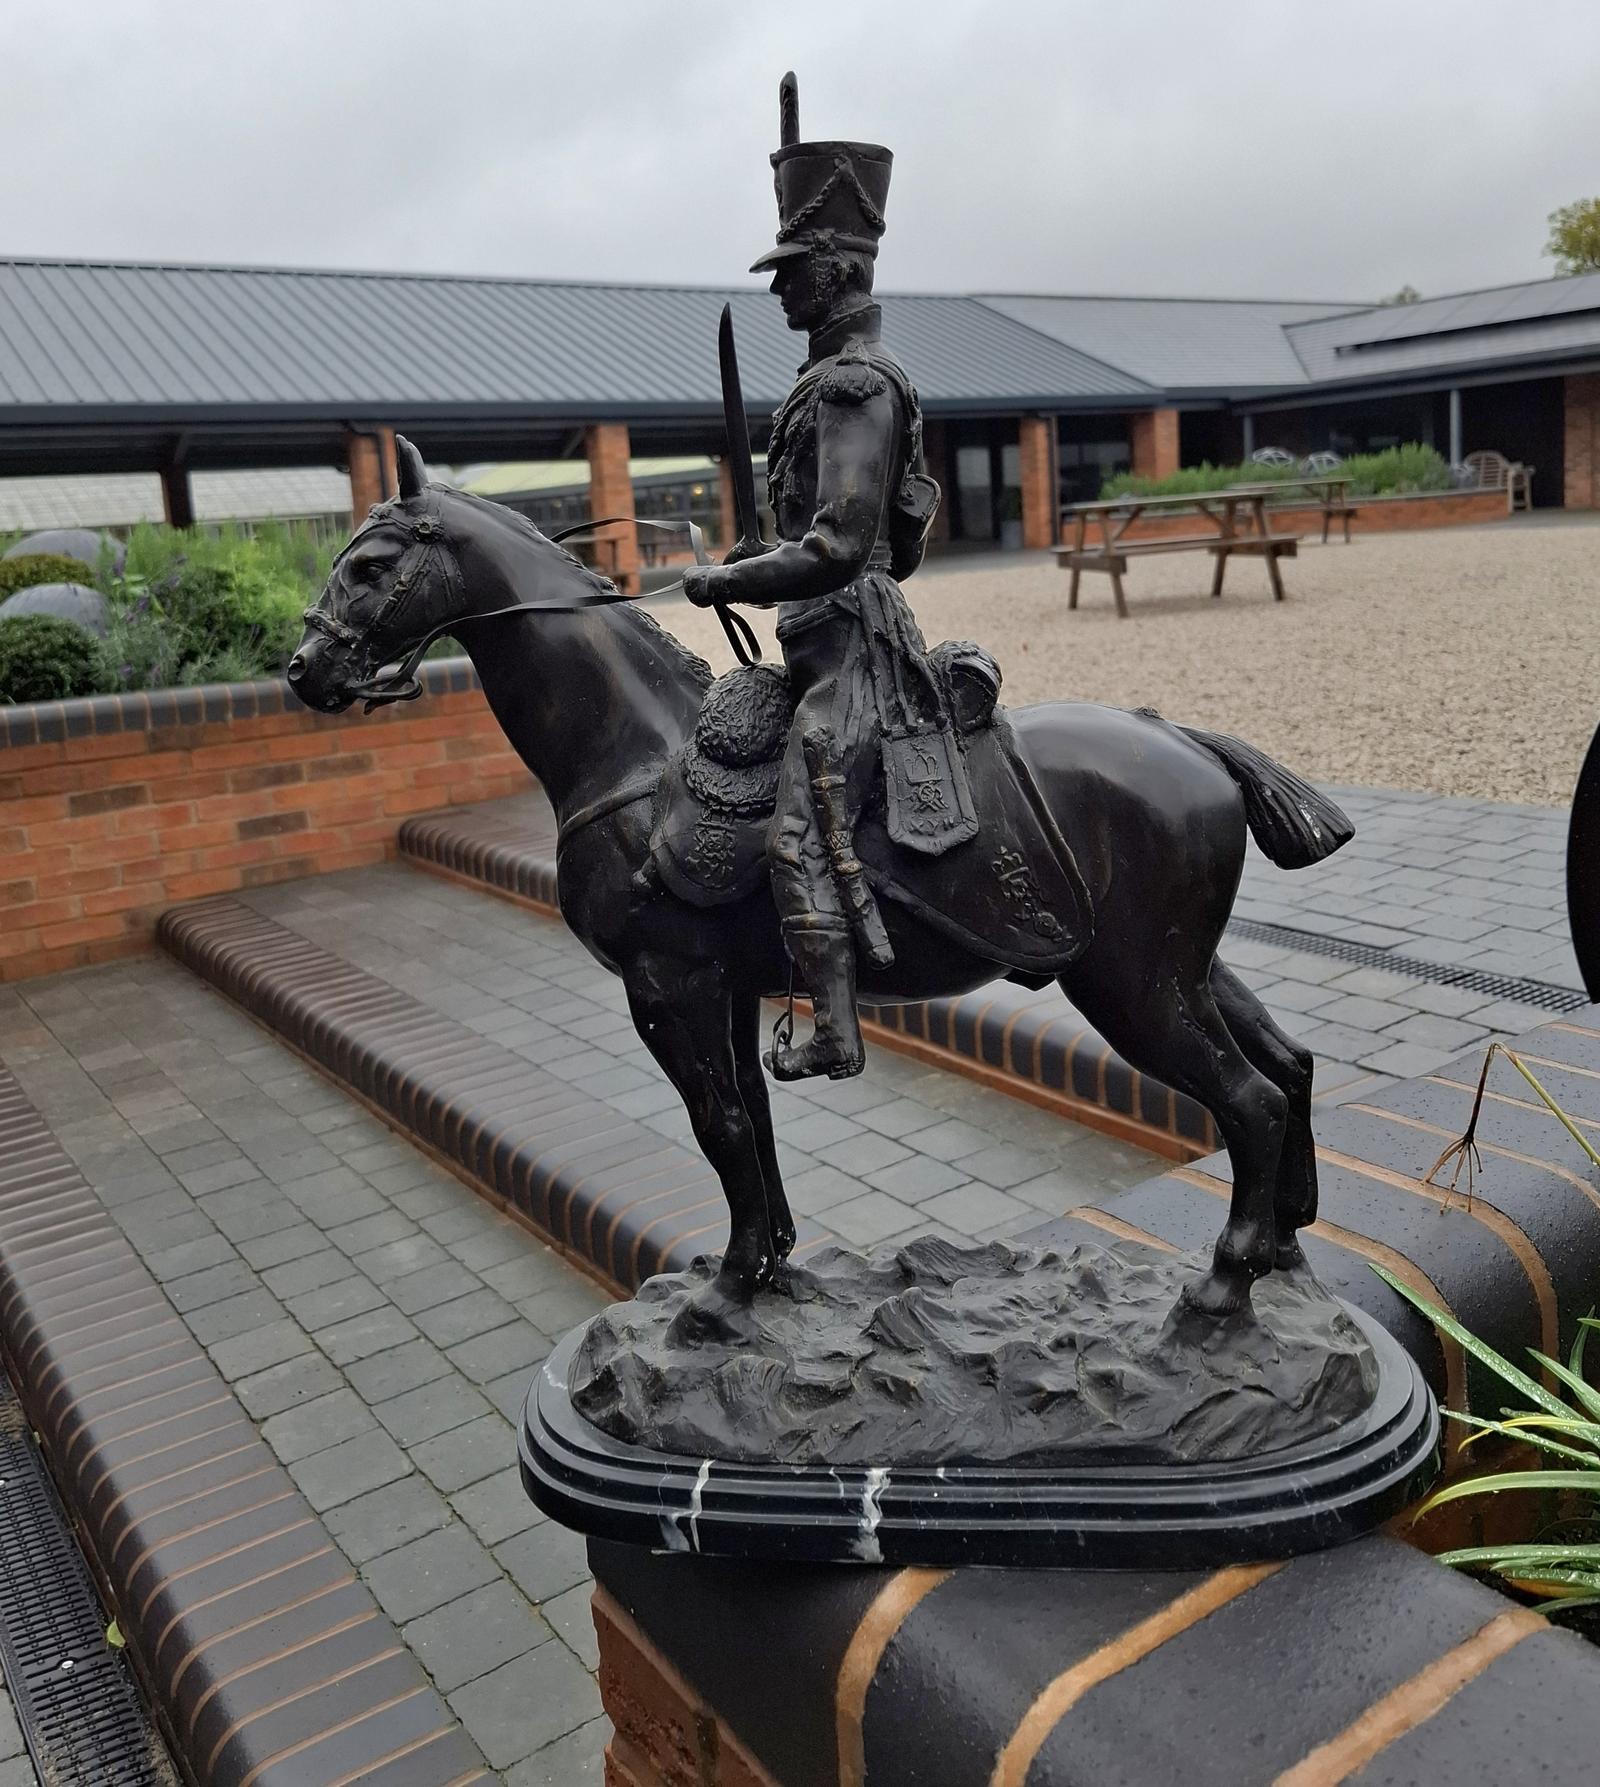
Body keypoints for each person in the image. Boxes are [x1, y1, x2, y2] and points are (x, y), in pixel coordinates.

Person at [683, 75, 967, 1081]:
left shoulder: (852, 385)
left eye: (793, 267)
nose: (779, 287)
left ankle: (838, 1029)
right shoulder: (832, 378)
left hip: (853, 650)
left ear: (839, 265)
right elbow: (906, 537)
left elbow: (842, 546)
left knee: (794, 836)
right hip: (824, 639)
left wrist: (732, 580)